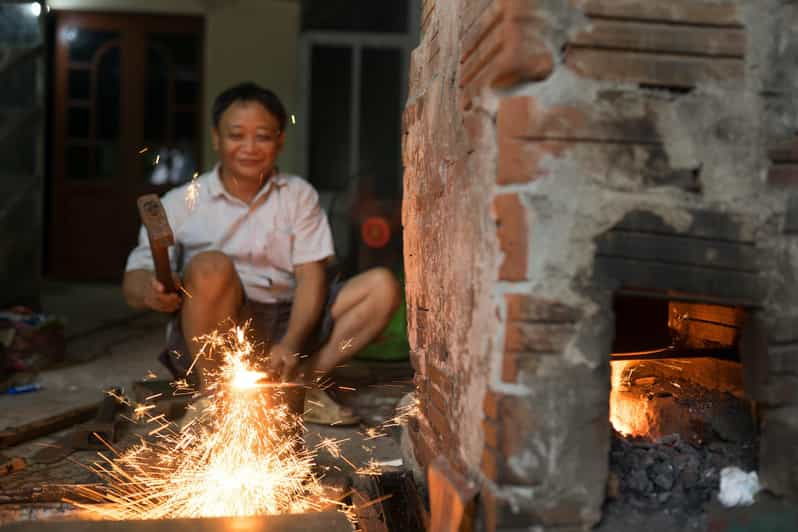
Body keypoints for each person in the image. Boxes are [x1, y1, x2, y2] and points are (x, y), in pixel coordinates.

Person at [122, 82, 401, 425]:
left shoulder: (298, 195)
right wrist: (150, 292)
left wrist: (293, 342)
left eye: (263, 136)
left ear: (280, 140)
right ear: (216, 139)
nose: (249, 148)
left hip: (288, 320)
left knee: (382, 287)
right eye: (237, 135)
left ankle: (300, 386)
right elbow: (135, 277)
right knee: (211, 265)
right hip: (215, 327)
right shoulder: (182, 201)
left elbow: (311, 276)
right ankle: (213, 397)